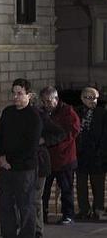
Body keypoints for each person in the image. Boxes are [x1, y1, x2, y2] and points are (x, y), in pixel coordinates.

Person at [0, 78, 42, 238]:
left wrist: (11, 162)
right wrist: (1, 157)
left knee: (26, 206)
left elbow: (31, 145)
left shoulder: (34, 115)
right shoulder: (8, 112)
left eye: (20, 94)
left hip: (25, 169)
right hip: (6, 167)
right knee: (5, 205)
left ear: (29, 95)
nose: (16, 97)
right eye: (14, 93)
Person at [40, 86, 80, 225]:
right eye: (44, 101)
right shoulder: (42, 113)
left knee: (66, 189)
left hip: (65, 158)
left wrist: (51, 140)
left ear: (56, 99)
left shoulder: (68, 111)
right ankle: (41, 215)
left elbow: (73, 132)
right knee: (43, 190)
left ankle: (68, 215)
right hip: (47, 159)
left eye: (49, 101)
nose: (46, 105)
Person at [74, 87, 106, 220]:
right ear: (82, 98)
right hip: (81, 153)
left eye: (95, 98)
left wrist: (102, 152)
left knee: (98, 184)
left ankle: (98, 209)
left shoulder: (102, 113)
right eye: (89, 98)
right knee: (81, 184)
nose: (93, 101)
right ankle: (84, 209)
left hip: (97, 154)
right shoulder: (77, 112)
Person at [35, 104, 66, 238]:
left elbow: (60, 133)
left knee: (36, 198)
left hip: (40, 164)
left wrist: (44, 140)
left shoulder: (40, 116)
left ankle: (38, 229)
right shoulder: (13, 114)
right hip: (22, 164)